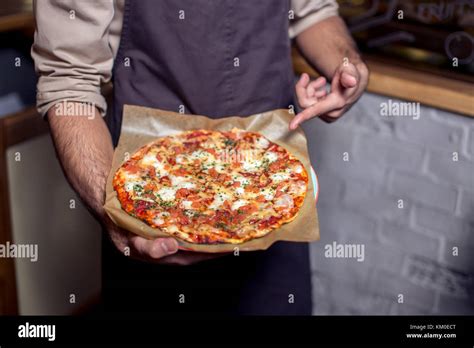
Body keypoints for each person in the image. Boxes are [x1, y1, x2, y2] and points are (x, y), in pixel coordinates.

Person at [32, 0, 368, 315]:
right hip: (153, 191)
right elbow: (70, 84)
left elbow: (314, 11)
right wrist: (117, 215)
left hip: (271, 185)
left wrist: (347, 65)